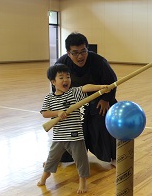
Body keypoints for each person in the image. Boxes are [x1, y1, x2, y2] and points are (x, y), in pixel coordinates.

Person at [37, 63, 109, 194]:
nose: (66, 80)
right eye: (61, 77)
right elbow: (44, 113)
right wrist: (58, 113)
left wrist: (100, 87)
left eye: (68, 76)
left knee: (81, 160)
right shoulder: (49, 98)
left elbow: (85, 88)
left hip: (75, 136)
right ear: (53, 82)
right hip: (59, 137)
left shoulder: (73, 93)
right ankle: (44, 177)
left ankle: (83, 181)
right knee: (51, 159)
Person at [56, 32, 117, 166]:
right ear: (68, 53)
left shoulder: (99, 62)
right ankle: (58, 156)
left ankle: (113, 157)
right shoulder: (61, 65)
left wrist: (106, 99)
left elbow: (112, 81)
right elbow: (57, 88)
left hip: (99, 100)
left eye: (83, 51)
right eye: (75, 52)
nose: (80, 56)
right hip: (74, 101)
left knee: (103, 120)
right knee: (64, 123)